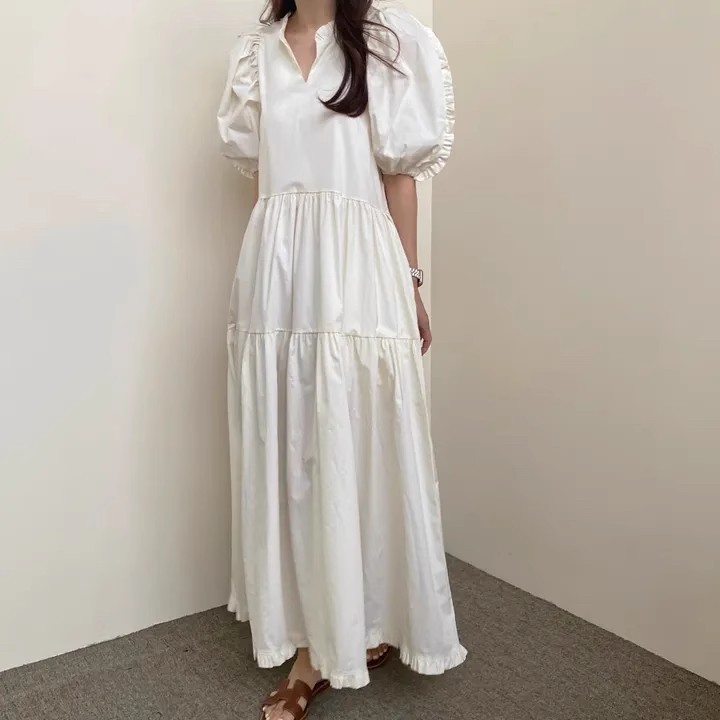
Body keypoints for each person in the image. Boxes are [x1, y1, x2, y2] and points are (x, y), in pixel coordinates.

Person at [217, 0, 466, 717]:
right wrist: (271, 273)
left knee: (358, 438)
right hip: (279, 274)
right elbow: (262, 177)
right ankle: (313, 640)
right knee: (293, 443)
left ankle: (362, 620)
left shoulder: (385, 41)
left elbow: (399, 177)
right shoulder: (256, 54)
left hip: (358, 269)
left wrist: (411, 284)